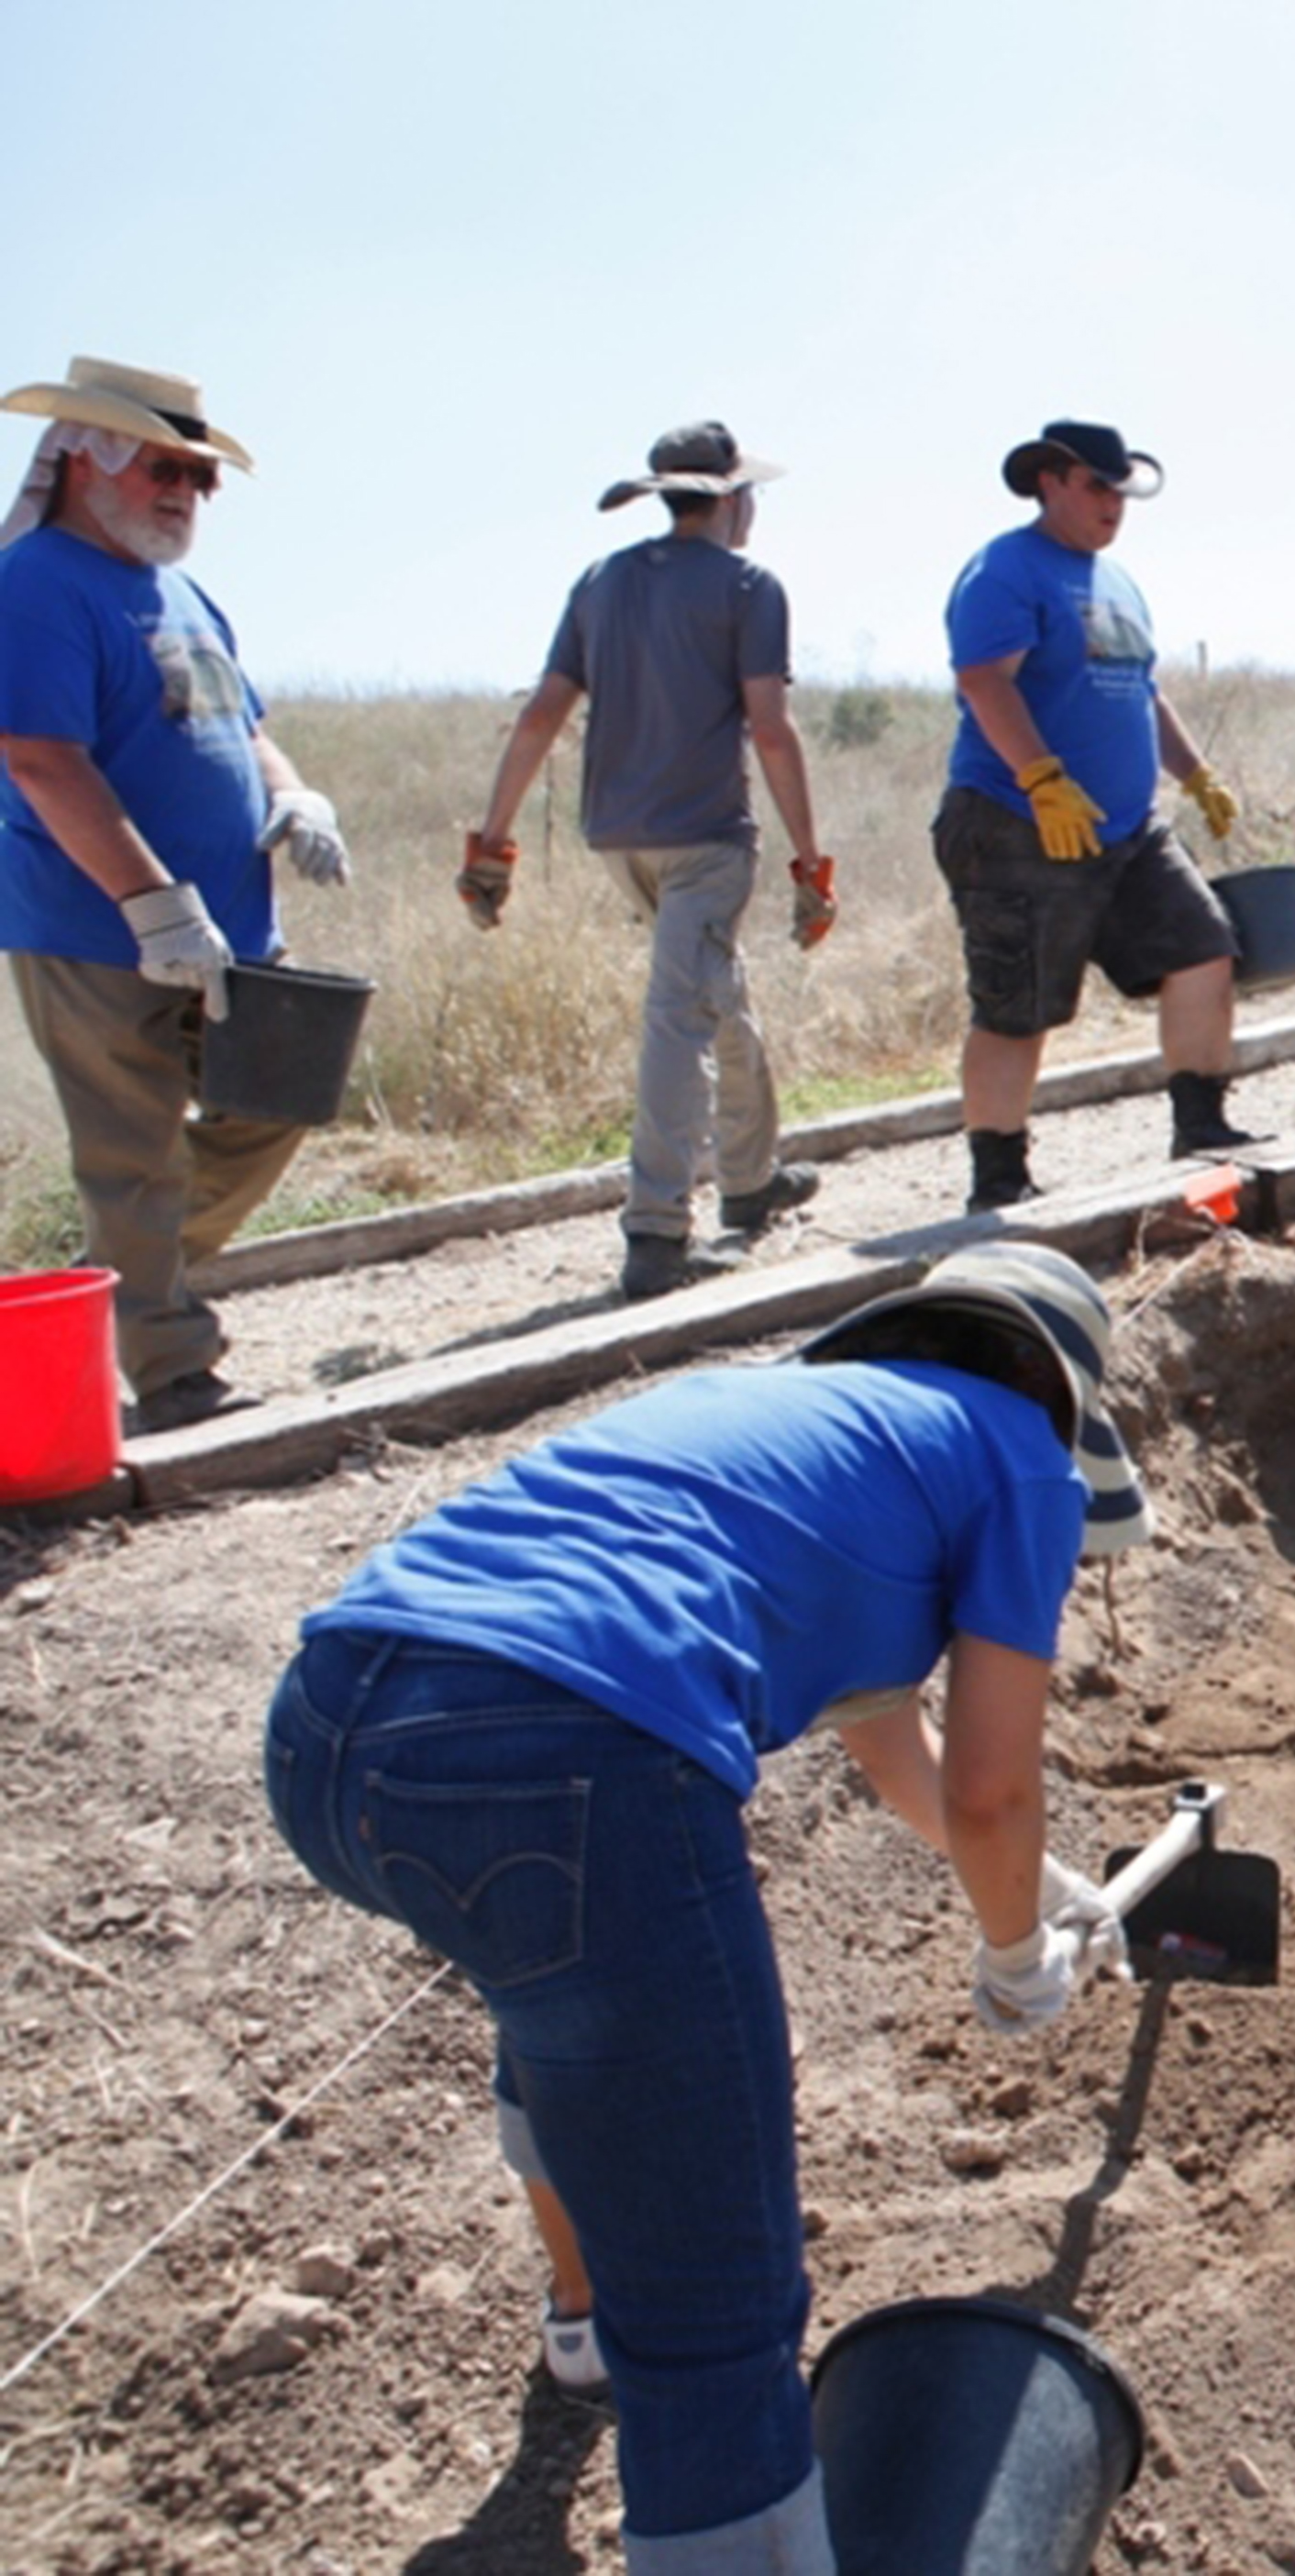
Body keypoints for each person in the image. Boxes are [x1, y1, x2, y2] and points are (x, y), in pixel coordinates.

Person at [261, 1243, 1152, 2570]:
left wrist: (1039, 1891)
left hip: (332, 1727)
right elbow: (989, 1788)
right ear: (1063, 1397)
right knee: (716, 2334)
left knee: (558, 1987)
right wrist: (1019, 1951)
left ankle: (580, 2323)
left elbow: (891, 1741)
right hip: (568, 1751)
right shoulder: (1020, 1448)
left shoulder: (804, 1426)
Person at [0, 356, 349, 1434]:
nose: (187, 495)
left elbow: (243, 729)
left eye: (202, 480)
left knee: (283, 1100)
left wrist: (298, 798)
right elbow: (40, 758)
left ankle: (124, 1268)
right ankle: (174, 1376)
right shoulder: (35, 585)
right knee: (134, 1146)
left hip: (237, 931)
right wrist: (151, 903)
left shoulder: (184, 594)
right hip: (95, 931)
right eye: (167, 468)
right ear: (87, 458)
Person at [465, 422, 831, 1301]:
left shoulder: (602, 583)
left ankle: (750, 1177)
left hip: (619, 838)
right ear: (733, 498)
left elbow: (541, 715)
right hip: (705, 838)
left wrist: (493, 841)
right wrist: (811, 860)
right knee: (682, 1015)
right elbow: (771, 732)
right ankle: (656, 1232)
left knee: (713, 992)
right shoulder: (748, 587)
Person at [935, 419, 1257, 1212]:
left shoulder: (1116, 583)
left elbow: (1141, 689)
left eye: (1121, 491)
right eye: (1096, 487)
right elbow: (985, 681)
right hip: (1016, 819)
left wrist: (1196, 773)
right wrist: (1041, 777)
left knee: (1204, 949)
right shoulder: (1005, 570)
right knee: (1018, 1008)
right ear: (1049, 482)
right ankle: (999, 1178)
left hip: (1125, 825)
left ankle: (1201, 1125)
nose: (1112, 505)